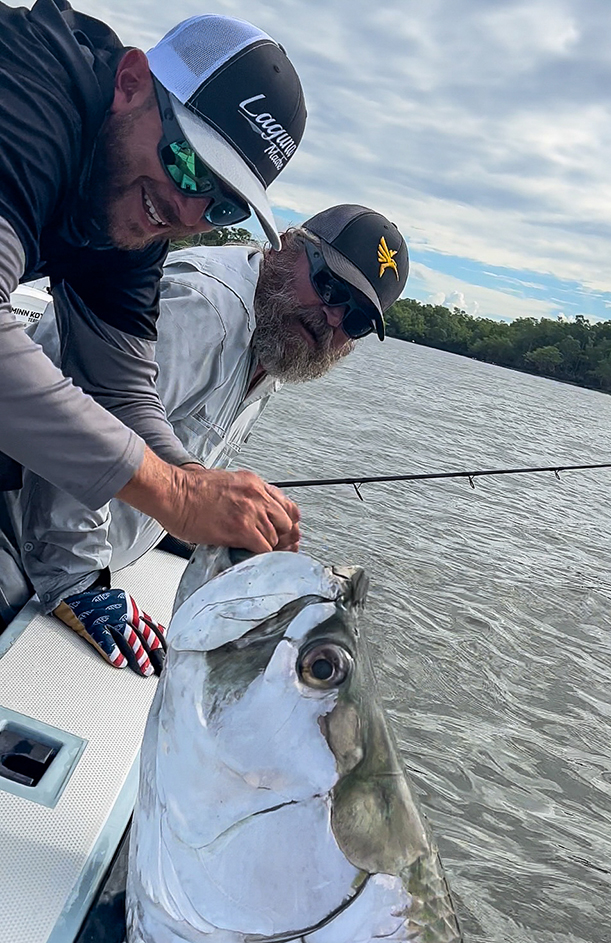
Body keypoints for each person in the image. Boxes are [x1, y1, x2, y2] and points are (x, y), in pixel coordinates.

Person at [1, 205, 410, 674]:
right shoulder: (200, 309)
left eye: (356, 320)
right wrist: (79, 583)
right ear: (286, 247)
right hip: (16, 539)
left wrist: (194, 530)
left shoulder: (276, 342)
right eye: (330, 287)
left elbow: (172, 452)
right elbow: (84, 428)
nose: (333, 319)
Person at [0, 0, 308, 565]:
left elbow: (120, 390)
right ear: (131, 82)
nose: (189, 214)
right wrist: (176, 496)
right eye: (189, 163)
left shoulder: (133, 204)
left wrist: (193, 480)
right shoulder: (28, 95)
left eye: (224, 205)